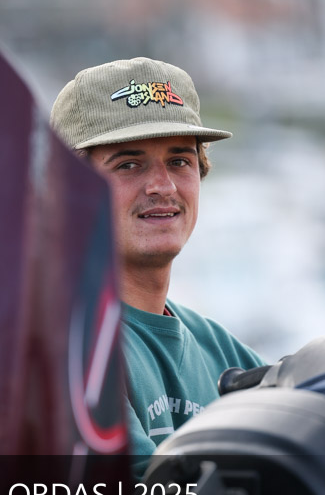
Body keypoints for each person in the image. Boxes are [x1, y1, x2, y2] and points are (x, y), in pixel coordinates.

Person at [50, 56, 264, 473]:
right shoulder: (64, 341)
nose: (162, 186)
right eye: (128, 164)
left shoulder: (218, 348)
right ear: (69, 188)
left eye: (180, 161)